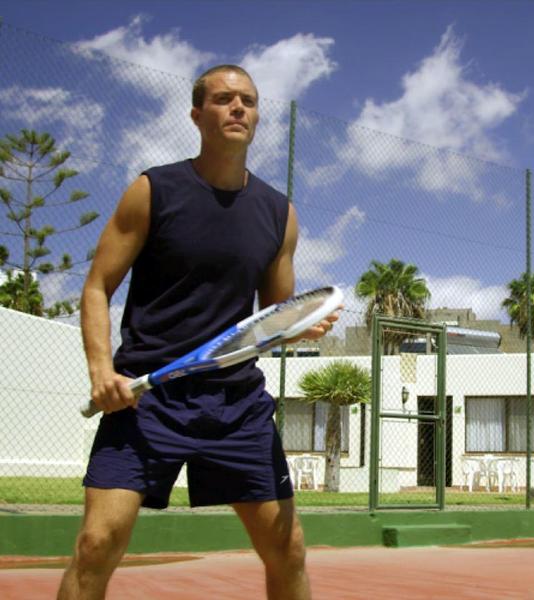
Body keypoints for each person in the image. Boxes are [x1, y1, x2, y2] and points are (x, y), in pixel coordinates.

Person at [58, 64, 334, 600]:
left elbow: (273, 318)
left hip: (235, 405)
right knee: (96, 543)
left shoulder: (280, 214)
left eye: (248, 101)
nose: (238, 108)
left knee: (288, 549)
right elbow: (96, 287)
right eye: (224, 99)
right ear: (197, 114)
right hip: (146, 401)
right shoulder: (152, 190)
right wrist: (102, 370)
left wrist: (301, 329)